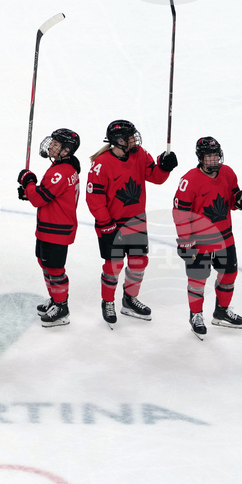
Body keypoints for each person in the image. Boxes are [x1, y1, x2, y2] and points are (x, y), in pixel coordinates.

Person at [86, 120, 178, 328]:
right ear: (119, 141)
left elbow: (155, 177)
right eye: (130, 137)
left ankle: (129, 300)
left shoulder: (139, 154)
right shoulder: (101, 164)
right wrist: (106, 224)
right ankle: (108, 302)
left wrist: (164, 167)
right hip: (111, 225)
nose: (134, 139)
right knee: (113, 265)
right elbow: (94, 199)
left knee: (138, 262)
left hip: (136, 221)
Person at [173, 136, 242, 339]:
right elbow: (180, 214)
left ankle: (222, 311)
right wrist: (185, 241)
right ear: (200, 158)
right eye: (209, 156)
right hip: (200, 240)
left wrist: (241, 200)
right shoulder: (189, 181)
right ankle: (196, 315)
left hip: (225, 236)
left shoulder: (227, 173)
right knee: (197, 280)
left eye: (216, 155)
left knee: (229, 274)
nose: (214, 160)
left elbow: (233, 198)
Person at [17, 128, 81, 327]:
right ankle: (55, 299)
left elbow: (39, 199)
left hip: (57, 229)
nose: (50, 146)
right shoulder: (61, 167)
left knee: (55, 268)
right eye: (52, 142)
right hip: (49, 226)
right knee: (45, 263)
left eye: (56, 144)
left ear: (67, 150)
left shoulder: (60, 173)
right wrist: (30, 191)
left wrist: (28, 182)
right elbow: (48, 196)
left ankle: (62, 308)